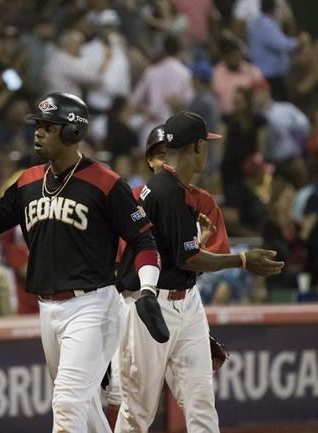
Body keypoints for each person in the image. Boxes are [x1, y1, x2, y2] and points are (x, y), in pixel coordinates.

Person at [0, 92, 168, 433]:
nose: (38, 132)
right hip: (48, 309)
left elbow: (143, 239)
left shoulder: (105, 182)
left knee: (67, 403)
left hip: (92, 305)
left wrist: (147, 288)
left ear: (72, 132)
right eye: (38, 125)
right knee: (84, 405)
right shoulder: (28, 181)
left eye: (48, 126)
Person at [114, 112, 284, 433]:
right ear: (195, 146)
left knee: (201, 401)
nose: (208, 150)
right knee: (138, 413)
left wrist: (198, 245)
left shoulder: (172, 189)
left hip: (185, 301)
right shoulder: (166, 190)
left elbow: (181, 254)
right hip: (149, 306)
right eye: (205, 144)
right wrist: (243, 260)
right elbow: (189, 258)